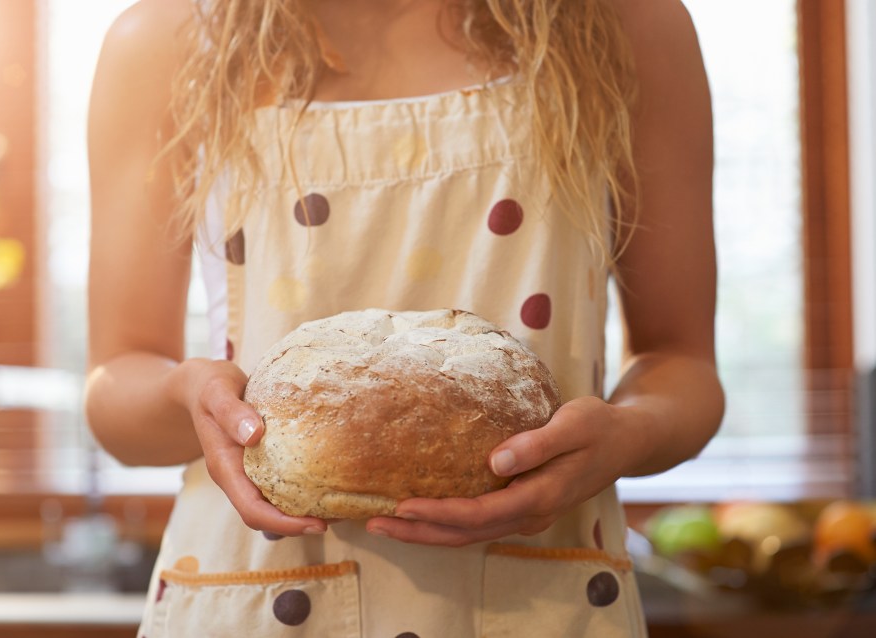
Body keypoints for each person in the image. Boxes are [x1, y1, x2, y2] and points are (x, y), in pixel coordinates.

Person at [85, 0, 723, 635]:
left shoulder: (624, 23)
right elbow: (117, 384)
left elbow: (683, 366)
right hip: (262, 598)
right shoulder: (168, 40)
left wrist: (626, 435)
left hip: (544, 600)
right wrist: (191, 397)